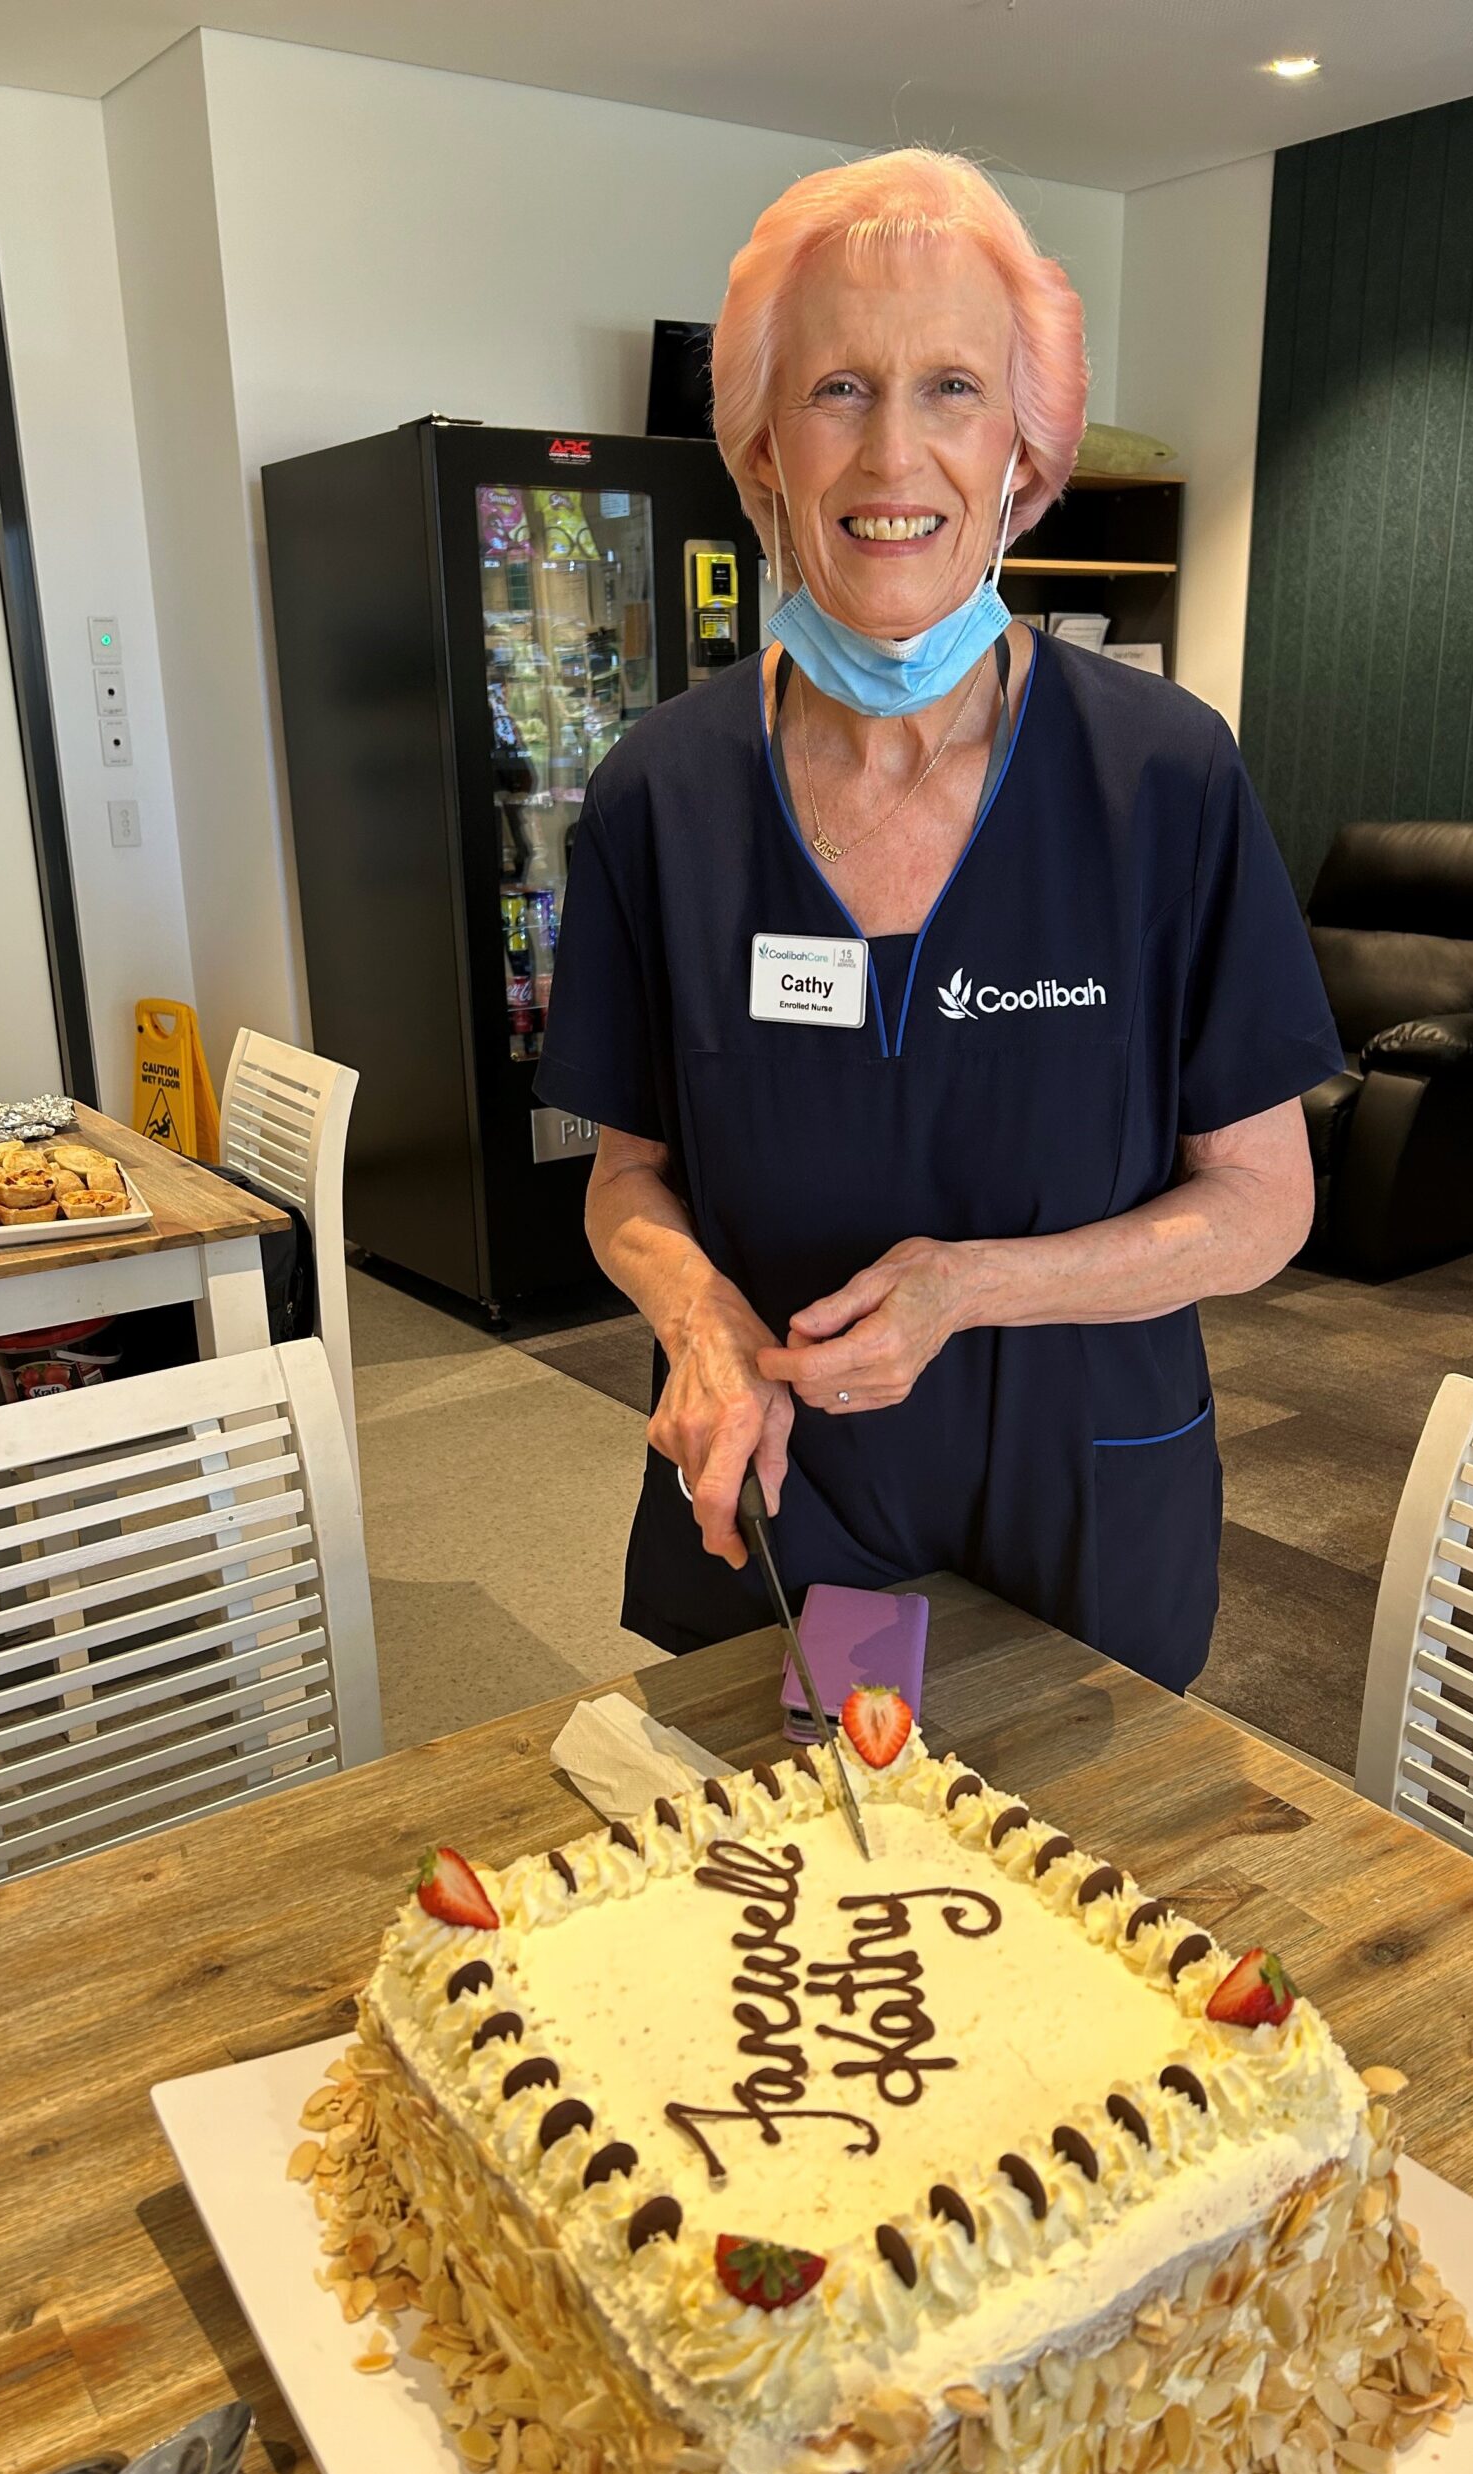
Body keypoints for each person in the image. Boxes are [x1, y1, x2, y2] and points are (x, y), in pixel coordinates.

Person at [534, 148, 1342, 1694]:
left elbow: (1263, 1203)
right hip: (783, 1499)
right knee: (776, 1916)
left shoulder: (1163, 779)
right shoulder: (662, 795)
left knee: (1085, 1910)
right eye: (837, 387)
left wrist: (973, 1287)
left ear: (1026, 457)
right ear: (764, 450)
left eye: (953, 389)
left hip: (1085, 1500)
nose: (891, 456)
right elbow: (626, 1177)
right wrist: (693, 1312)